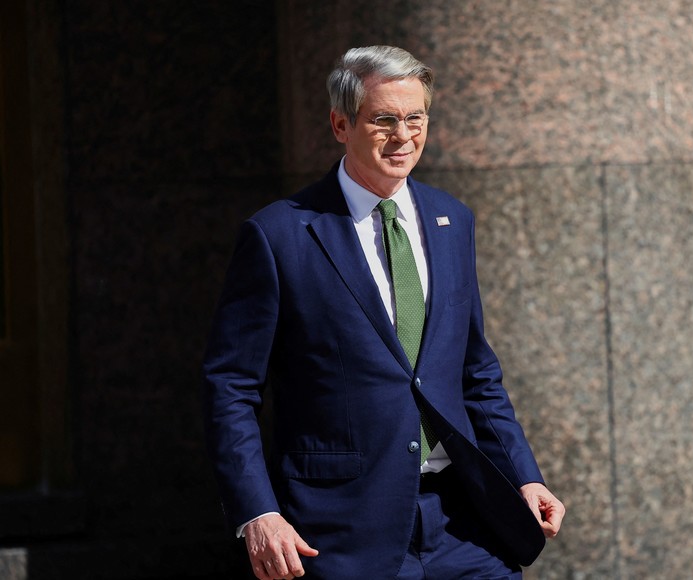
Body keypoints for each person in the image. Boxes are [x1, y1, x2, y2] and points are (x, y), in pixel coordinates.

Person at [202, 45, 565, 579]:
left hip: (464, 523)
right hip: (341, 531)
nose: (403, 135)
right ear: (340, 124)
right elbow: (230, 385)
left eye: (415, 117)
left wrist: (523, 476)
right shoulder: (279, 234)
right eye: (383, 120)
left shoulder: (451, 219)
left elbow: (474, 372)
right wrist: (257, 510)